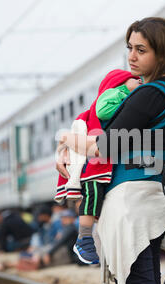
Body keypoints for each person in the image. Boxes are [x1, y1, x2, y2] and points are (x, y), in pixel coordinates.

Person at [57, 17, 165, 284]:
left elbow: (103, 147)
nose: (131, 56)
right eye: (130, 47)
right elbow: (139, 146)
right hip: (148, 196)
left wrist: (66, 139)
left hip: (131, 205)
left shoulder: (150, 94)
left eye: (141, 50)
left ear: (163, 54)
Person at [54, 70, 141, 265]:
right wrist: (125, 101)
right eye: (135, 79)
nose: (139, 80)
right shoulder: (115, 94)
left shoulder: (133, 93)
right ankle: (84, 238)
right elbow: (103, 112)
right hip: (93, 163)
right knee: (92, 194)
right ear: (120, 82)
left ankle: (90, 241)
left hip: (101, 159)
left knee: (99, 202)